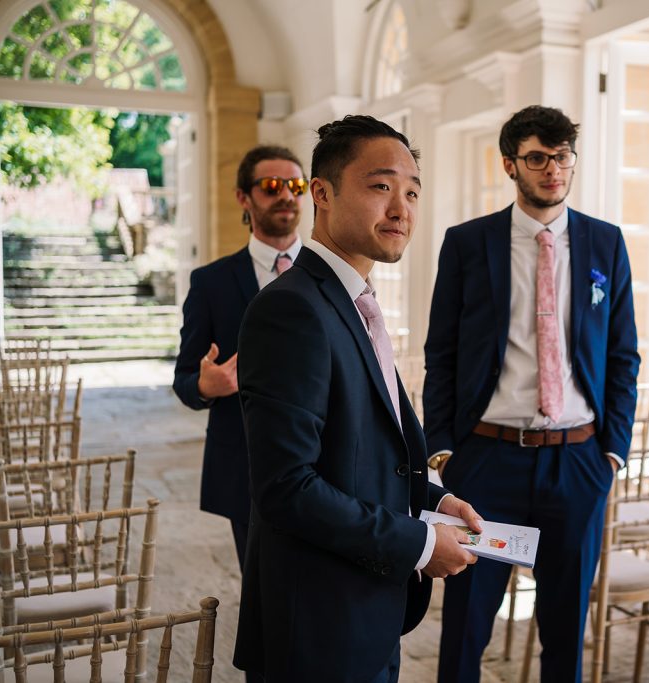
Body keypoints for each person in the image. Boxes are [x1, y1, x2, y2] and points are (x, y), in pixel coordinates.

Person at [234, 115, 482, 682]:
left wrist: (435, 500)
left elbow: (370, 450)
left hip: (366, 608)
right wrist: (421, 544)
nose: (402, 209)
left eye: (412, 192)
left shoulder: (354, 301)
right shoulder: (291, 308)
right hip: (317, 626)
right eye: (381, 187)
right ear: (321, 193)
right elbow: (286, 488)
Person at [423, 105, 640, 683]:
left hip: (577, 462)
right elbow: (440, 352)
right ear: (510, 164)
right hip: (488, 461)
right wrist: (443, 449)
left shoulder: (605, 243)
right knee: (468, 620)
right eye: (538, 157)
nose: (553, 169)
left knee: (566, 626)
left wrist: (611, 452)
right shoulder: (468, 244)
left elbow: (623, 355)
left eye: (562, 156)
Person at [173, 144, 306, 572]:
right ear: (243, 198)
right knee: (263, 596)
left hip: (327, 463)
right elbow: (185, 377)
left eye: (296, 185)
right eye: (271, 186)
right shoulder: (211, 283)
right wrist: (204, 386)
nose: (286, 195)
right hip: (249, 468)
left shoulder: (333, 272)